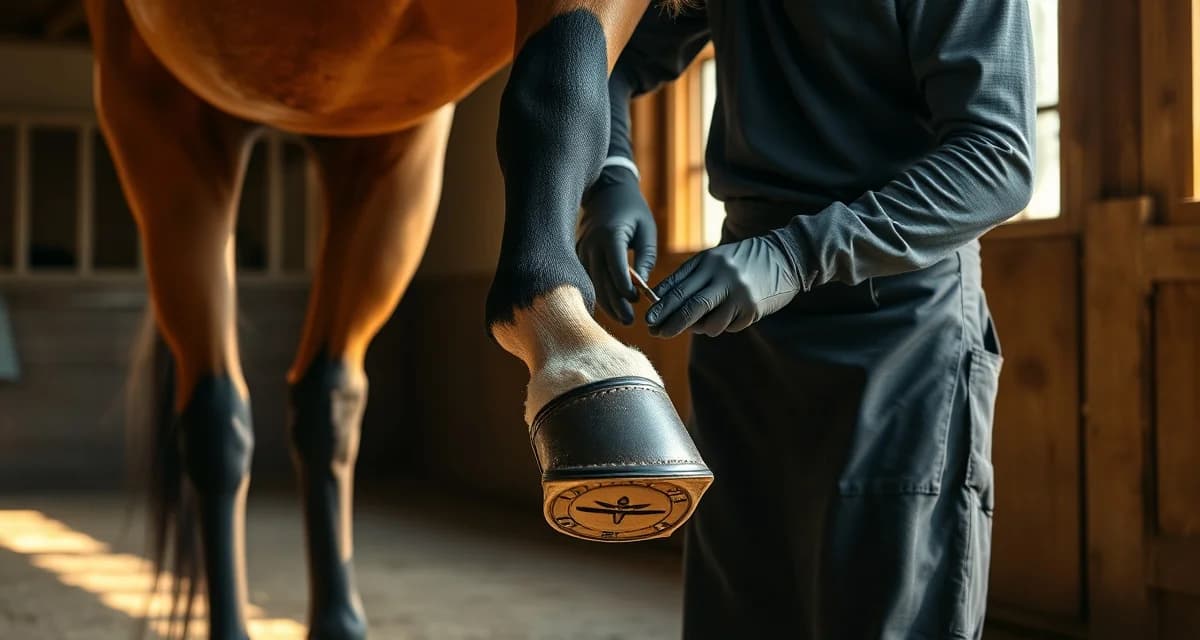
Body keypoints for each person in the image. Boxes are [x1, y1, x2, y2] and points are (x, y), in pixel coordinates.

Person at [576, 2, 1035, 638]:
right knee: (737, 609)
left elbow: (997, 159)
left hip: (897, 330)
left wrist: (794, 255)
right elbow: (605, 51)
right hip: (745, 325)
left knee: (884, 616)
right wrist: (612, 170)